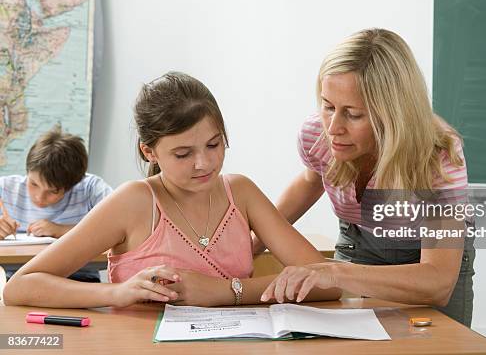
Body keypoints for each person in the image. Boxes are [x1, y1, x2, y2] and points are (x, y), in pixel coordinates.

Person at [3, 72, 340, 308]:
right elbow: (20, 287)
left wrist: (227, 291)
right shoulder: (133, 201)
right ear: (149, 151)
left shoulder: (242, 192)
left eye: (213, 144)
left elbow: (329, 282)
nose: (203, 163)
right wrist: (116, 293)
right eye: (182, 154)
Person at [258, 29, 476, 326]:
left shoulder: (438, 155)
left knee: (439, 343)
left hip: (424, 256)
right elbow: (310, 182)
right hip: (358, 240)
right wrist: (249, 245)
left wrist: (333, 271)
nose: (333, 127)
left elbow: (437, 281)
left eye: (353, 114)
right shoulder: (317, 135)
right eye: (328, 106)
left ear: (392, 114)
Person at [0, 126, 113, 282]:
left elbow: (118, 230)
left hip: (79, 280)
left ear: (71, 186)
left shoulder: (90, 188)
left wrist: (60, 230)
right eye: (33, 184)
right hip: (17, 280)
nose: (39, 197)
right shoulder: (5, 188)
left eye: (52, 192)